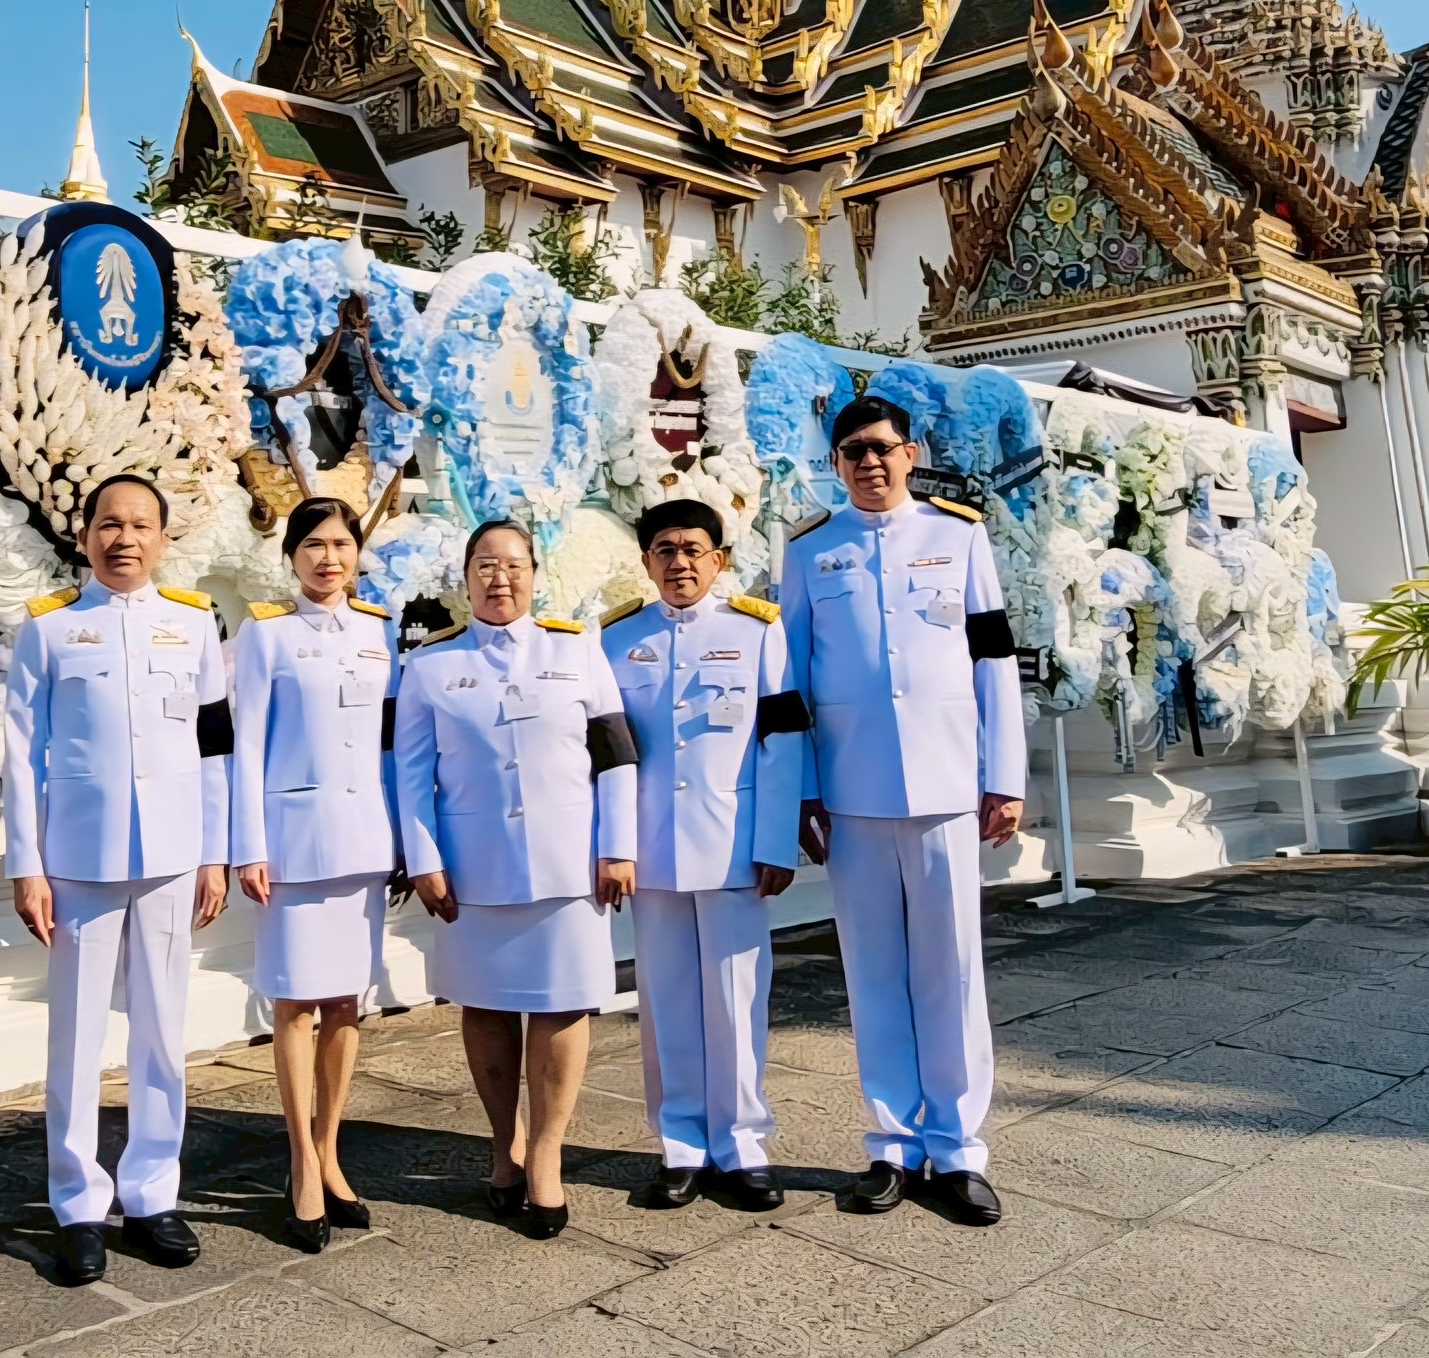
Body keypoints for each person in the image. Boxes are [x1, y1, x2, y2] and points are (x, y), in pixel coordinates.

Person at [780, 395, 1025, 1227]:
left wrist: (1003, 774)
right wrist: (801, 787)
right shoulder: (811, 549)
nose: (868, 463)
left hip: (946, 786)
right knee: (873, 970)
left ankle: (956, 1150)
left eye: (881, 448)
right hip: (851, 794)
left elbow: (992, 658)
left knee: (949, 970)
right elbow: (790, 683)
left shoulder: (958, 536)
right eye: (851, 451)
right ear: (834, 462)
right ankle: (891, 1142)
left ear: (910, 453)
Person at [3, 473, 233, 1286]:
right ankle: (76, 1203)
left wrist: (216, 851)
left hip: (172, 853)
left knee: (162, 1030)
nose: (123, 538)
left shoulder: (194, 624)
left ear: (163, 540)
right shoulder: (50, 628)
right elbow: (21, 754)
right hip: (79, 857)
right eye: (108, 523)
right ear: (85, 537)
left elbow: (214, 745)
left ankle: (151, 1193)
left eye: (139, 524)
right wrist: (26, 864)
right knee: (75, 1035)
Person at [392, 517, 638, 1238]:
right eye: (484, 565)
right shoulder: (430, 666)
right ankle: (504, 1146)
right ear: (465, 577)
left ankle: (548, 1152)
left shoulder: (577, 648)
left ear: (534, 573)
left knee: (562, 1007)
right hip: (474, 867)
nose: (499, 578)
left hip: (569, 864)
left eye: (513, 565)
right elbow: (410, 774)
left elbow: (615, 756)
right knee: (487, 1007)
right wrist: (424, 858)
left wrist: (617, 846)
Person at [601, 498, 807, 1213]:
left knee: (736, 999)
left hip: (734, 846)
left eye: (693, 549)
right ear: (646, 561)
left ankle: (744, 1144)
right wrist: (613, 845)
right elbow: (607, 754)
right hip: (651, 849)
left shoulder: (757, 630)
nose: (679, 562)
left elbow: (782, 739)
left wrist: (775, 840)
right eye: (664, 550)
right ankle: (681, 1144)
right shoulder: (616, 639)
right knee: (665, 1002)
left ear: (718, 560)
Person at [229, 496, 400, 1253]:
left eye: (340, 544)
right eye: (313, 546)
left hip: (363, 842)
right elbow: (246, 746)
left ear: (357, 552)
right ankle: (300, 1160)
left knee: (345, 1004)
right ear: (291, 555)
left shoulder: (381, 632)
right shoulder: (266, 633)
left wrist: (404, 842)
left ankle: (330, 1151)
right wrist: (247, 845)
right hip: (292, 845)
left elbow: (394, 745)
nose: (328, 558)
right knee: (295, 1003)